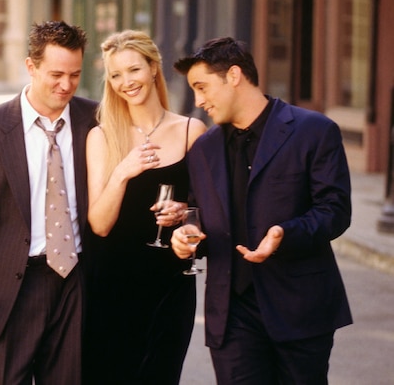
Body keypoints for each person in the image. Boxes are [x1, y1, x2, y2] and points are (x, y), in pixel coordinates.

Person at [171, 37, 353, 384]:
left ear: (234, 75)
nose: (198, 100)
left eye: (202, 87)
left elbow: (335, 209)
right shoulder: (203, 149)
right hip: (231, 314)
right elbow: (199, 217)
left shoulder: (313, 130)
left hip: (299, 308)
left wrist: (285, 233)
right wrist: (186, 238)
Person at [0, 20, 98, 384]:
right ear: (31, 66)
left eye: (75, 74)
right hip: (11, 287)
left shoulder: (95, 118)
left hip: (76, 281)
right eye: (56, 74)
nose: (66, 85)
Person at [83, 30, 207, 384]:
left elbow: (204, 211)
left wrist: (185, 212)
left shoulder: (191, 131)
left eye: (134, 70)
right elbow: (100, 225)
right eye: (116, 74)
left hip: (170, 285)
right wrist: (123, 172)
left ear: (153, 68)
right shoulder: (102, 135)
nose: (126, 82)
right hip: (112, 286)